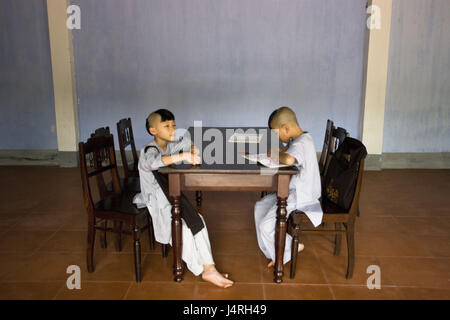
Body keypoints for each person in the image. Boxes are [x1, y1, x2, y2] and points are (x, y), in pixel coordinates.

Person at [133, 108, 233, 288]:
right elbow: (152, 163)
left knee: (198, 219)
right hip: (157, 202)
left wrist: (191, 148)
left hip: (172, 196)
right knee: (182, 229)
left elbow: (186, 138)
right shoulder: (148, 150)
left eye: (174, 125)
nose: (172, 129)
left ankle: (210, 267)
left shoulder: (169, 146)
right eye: (166, 126)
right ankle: (203, 270)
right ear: (153, 130)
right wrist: (184, 155)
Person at [254, 106, 323, 267]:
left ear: (286, 128)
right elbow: (291, 151)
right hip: (296, 190)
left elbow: (291, 160)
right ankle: (273, 251)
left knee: (265, 226)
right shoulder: (303, 138)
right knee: (260, 206)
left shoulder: (301, 144)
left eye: (276, 132)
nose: (276, 136)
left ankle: (291, 247)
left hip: (302, 194)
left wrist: (275, 154)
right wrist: (282, 150)